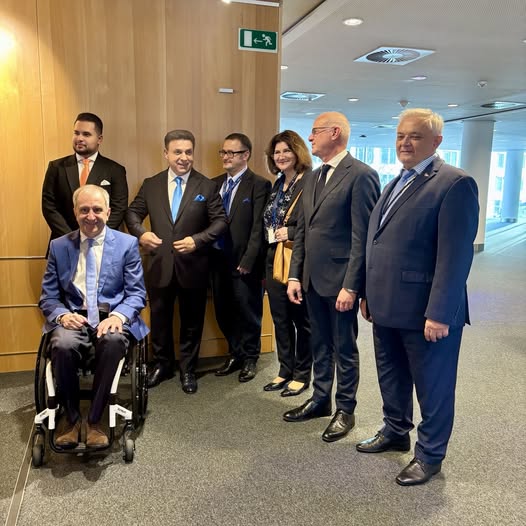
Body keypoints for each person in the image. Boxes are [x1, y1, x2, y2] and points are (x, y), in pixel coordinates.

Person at [356, 108, 479, 486]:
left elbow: (455, 256)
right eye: (400, 135)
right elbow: (378, 243)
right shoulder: (396, 182)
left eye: (415, 136)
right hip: (386, 304)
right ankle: (396, 430)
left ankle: (429, 455)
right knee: (391, 375)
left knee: (433, 386)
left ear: (436, 141)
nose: (405, 143)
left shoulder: (454, 183)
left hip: (428, 311)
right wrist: (367, 294)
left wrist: (440, 312)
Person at [284, 112, 380, 443]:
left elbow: (362, 237)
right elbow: (303, 231)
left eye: (315, 132)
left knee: (344, 348)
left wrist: (352, 285)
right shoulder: (312, 177)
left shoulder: (361, 175)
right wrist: (295, 276)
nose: (310, 138)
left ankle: (345, 410)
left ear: (335, 132)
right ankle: (320, 399)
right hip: (311, 279)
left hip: (341, 282)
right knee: (319, 344)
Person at [39, 185, 149, 448]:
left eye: (97, 210)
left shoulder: (126, 244)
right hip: (73, 318)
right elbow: (48, 297)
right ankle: (72, 420)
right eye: (84, 210)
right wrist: (62, 316)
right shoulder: (59, 246)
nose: (91, 216)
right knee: (62, 344)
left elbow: (137, 293)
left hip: (110, 316)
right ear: (75, 212)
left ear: (108, 212)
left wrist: (119, 317)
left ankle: (95, 420)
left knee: (113, 341)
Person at [125, 130, 227, 393]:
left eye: (188, 152)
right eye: (178, 152)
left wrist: (198, 240)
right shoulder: (151, 184)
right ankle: (162, 365)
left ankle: (188, 369)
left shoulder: (207, 186)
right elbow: (132, 213)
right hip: (160, 265)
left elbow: (220, 222)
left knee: (192, 321)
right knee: (160, 319)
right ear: (166, 153)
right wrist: (141, 233)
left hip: (193, 266)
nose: (184, 157)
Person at [212, 133, 271, 382]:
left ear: (245, 155)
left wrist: (249, 259)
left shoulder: (259, 184)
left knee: (248, 311)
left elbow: (259, 227)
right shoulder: (214, 184)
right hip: (217, 260)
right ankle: (235, 353)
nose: (226, 157)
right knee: (223, 311)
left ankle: (250, 357)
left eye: (231, 152)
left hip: (244, 262)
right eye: (223, 152)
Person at [262, 130, 312, 396]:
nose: (280, 156)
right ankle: (285, 370)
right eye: (276, 152)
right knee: (280, 319)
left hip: (296, 259)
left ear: (297, 152)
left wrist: (290, 232)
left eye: (286, 151)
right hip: (274, 256)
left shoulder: (310, 181)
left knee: (301, 321)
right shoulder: (278, 182)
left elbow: (315, 222)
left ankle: (302, 374)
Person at [42, 112, 128, 245]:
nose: (80, 138)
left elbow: (119, 209)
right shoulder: (56, 167)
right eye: (76, 133)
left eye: (86, 134)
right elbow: (49, 206)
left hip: (102, 244)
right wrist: (73, 237)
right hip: (64, 242)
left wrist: (95, 235)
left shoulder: (115, 170)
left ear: (99, 139)